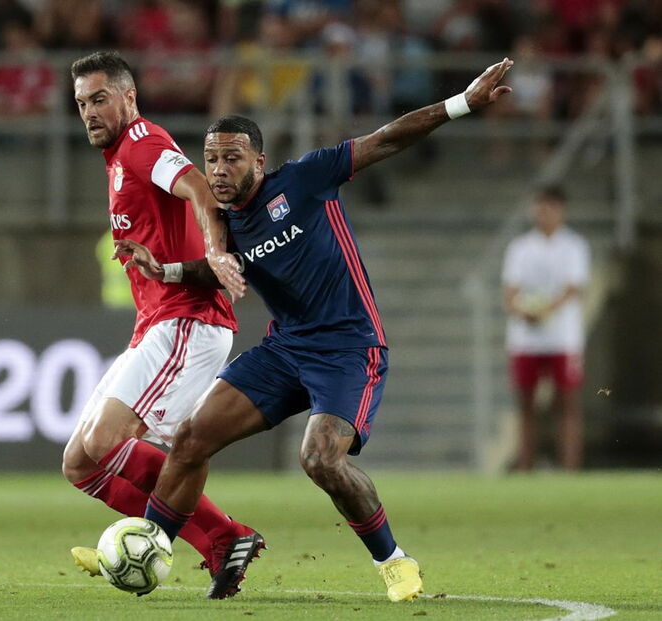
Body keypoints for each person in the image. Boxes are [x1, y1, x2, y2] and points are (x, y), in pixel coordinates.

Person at [135, 59, 515, 602]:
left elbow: (387, 139)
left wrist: (461, 104)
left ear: (258, 161)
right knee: (191, 437)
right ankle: (147, 545)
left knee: (319, 460)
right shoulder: (225, 224)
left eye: (231, 158)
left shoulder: (305, 178)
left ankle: (394, 560)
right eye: (211, 159)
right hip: (285, 349)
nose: (217, 170)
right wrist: (168, 270)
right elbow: (221, 270)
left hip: (349, 348)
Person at [61, 51, 261, 600]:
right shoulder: (118, 157)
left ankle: (221, 537)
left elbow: (198, 187)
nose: (89, 112)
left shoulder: (143, 142)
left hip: (188, 320)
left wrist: (216, 252)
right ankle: (220, 539)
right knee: (80, 463)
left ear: (129, 97)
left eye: (99, 99)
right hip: (157, 323)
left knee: (105, 441)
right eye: (81, 103)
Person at [502, 187, 590, 471]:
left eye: (549, 207)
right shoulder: (520, 248)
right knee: (525, 404)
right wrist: (522, 311)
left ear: (560, 210)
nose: (543, 213)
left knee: (567, 403)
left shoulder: (574, 246)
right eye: (539, 207)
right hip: (526, 339)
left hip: (562, 338)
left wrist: (546, 311)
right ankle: (526, 466)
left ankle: (569, 467)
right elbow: (510, 293)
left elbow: (573, 288)